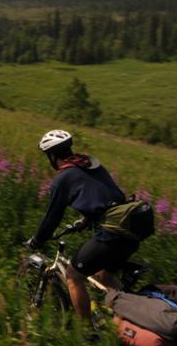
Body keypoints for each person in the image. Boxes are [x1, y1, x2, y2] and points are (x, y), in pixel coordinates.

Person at [24, 129, 142, 322]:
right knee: (103, 275)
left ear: (52, 156)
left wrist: (36, 241)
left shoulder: (63, 179)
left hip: (111, 234)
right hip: (129, 229)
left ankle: (86, 333)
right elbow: (110, 197)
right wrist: (86, 220)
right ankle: (130, 315)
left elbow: (51, 220)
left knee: (73, 275)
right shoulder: (91, 165)